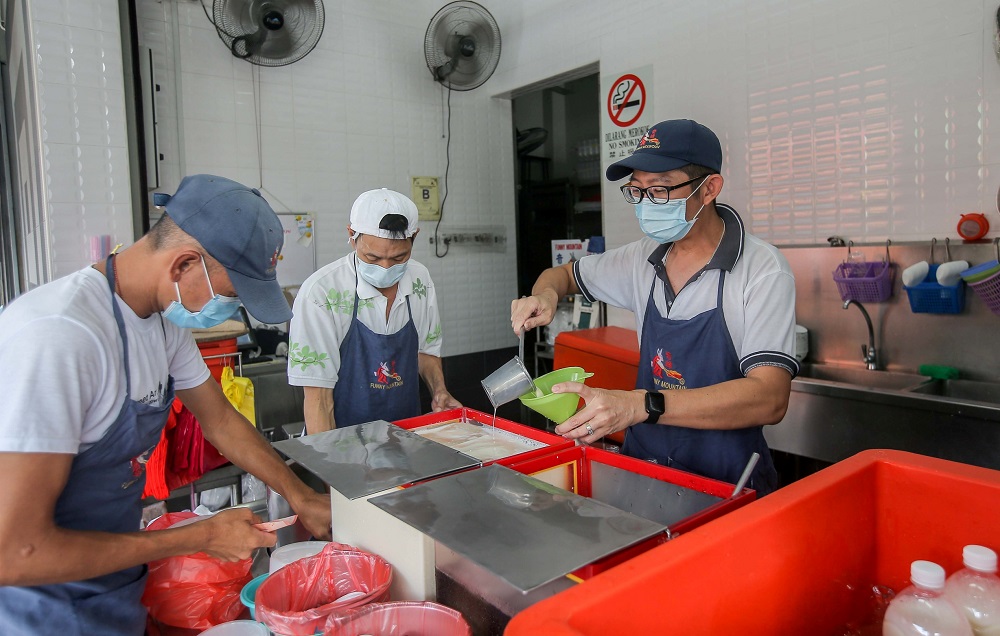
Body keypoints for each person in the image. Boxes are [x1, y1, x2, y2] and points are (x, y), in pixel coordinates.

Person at [0, 174, 332, 635]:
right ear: (183, 266)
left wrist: (301, 495)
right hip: (39, 613)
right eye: (231, 296)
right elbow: (14, 552)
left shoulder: (161, 322)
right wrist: (203, 535)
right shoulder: (61, 337)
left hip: (112, 590)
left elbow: (219, 420)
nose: (230, 313)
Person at [511, 119, 799, 496]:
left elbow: (770, 398)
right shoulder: (641, 258)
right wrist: (546, 295)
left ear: (709, 188)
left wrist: (640, 405)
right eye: (638, 191)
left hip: (728, 484)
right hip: (644, 474)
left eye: (660, 190)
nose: (647, 204)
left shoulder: (762, 270)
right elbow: (561, 275)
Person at [288, 188, 461, 433]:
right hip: (342, 443)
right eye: (372, 257)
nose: (385, 268)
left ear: (415, 237)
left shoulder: (420, 279)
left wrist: (439, 391)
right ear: (351, 235)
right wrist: (329, 466)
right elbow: (318, 399)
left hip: (406, 437)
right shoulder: (321, 293)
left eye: (399, 258)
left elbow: (426, 351)